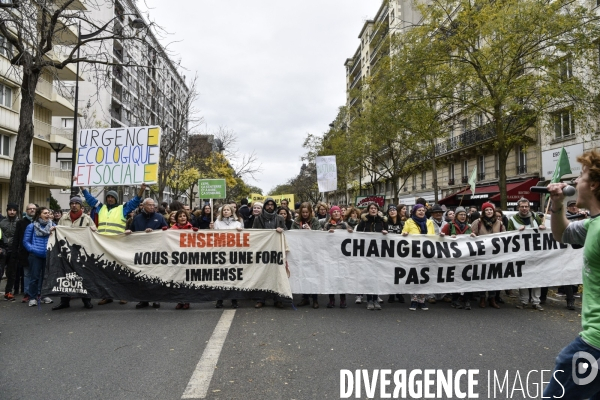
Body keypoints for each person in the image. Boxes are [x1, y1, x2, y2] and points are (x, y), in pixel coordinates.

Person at [543, 150, 600, 399]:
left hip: (595, 344)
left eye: (581, 176)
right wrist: (557, 204)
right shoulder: (592, 224)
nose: (575, 182)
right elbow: (562, 234)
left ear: (594, 185)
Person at [81, 183, 146, 305]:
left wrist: (141, 190)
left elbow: (135, 201)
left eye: (112, 197)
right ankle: (107, 295)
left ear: (116, 199)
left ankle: (123, 295)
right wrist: (82, 188)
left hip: (117, 244)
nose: (110, 199)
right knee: (105, 272)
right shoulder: (101, 207)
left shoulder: (123, 208)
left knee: (120, 271)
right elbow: (90, 199)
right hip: (103, 244)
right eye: (108, 197)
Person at [51, 197, 96, 310]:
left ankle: (86, 300)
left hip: (81, 252)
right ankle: (64, 301)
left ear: (81, 206)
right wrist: (53, 230)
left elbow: (94, 233)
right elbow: (59, 232)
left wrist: (94, 229)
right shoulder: (63, 218)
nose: (74, 205)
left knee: (83, 276)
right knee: (65, 276)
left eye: (77, 203)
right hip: (66, 252)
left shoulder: (87, 219)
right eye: (72, 203)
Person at [127, 198, 168, 309]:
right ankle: (143, 300)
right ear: (143, 206)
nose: (152, 207)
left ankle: (156, 299)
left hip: (155, 251)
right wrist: (129, 232)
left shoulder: (159, 217)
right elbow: (132, 230)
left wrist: (154, 232)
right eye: (149, 205)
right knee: (142, 276)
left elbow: (166, 231)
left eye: (153, 205)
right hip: (141, 251)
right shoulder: (137, 218)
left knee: (155, 275)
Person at [508, 198, 546, 311]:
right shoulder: (512, 220)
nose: (524, 208)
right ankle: (524, 301)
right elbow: (508, 235)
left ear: (529, 207)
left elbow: (543, 233)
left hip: (536, 253)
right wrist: (516, 231)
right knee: (523, 277)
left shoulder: (536, 218)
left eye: (526, 206)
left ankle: (536, 301)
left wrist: (543, 228)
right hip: (521, 254)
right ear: (518, 207)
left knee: (537, 277)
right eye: (522, 206)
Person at [470, 202, 505, 309]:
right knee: (482, 276)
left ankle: (492, 298)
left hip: (495, 255)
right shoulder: (478, 222)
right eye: (487, 210)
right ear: (483, 212)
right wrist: (472, 235)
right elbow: (471, 233)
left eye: (491, 210)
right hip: (481, 254)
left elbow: (505, 237)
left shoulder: (499, 223)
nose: (489, 212)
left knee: (493, 277)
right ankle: (482, 298)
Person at [252, 198, 286, 309]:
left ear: (274, 206)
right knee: (262, 274)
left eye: (272, 205)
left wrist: (281, 230)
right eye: (268, 205)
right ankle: (261, 299)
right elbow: (254, 233)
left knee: (277, 274)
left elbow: (286, 232)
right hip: (263, 251)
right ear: (265, 206)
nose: (270, 206)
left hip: (276, 251)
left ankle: (278, 299)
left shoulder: (280, 218)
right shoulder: (258, 219)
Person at [355, 202, 388, 311]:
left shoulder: (383, 221)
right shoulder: (364, 221)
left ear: (378, 210)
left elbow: (389, 234)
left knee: (377, 276)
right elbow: (358, 233)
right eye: (371, 208)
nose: (373, 210)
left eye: (375, 208)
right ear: (368, 210)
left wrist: (385, 232)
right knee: (369, 276)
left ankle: (375, 299)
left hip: (379, 253)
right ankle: (369, 299)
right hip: (367, 253)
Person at [440, 206, 474, 310]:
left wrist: (473, 236)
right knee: (455, 278)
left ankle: (466, 300)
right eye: (461, 214)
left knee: (467, 278)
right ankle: (455, 300)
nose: (463, 216)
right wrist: (444, 236)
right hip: (453, 258)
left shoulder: (469, 227)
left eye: (464, 214)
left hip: (466, 258)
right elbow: (441, 238)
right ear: (456, 216)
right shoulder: (449, 226)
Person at [402, 204, 434, 311]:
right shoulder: (409, 222)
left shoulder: (429, 222)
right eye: (419, 210)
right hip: (413, 253)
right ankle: (414, 300)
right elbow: (403, 233)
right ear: (414, 212)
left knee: (424, 277)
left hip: (426, 253)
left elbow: (433, 237)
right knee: (414, 277)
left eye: (423, 210)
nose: (421, 212)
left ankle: (422, 300)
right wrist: (404, 234)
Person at [211, 204, 243, 309]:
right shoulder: (217, 223)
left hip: (233, 253)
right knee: (221, 277)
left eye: (227, 210)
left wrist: (240, 231)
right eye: (224, 210)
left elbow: (242, 237)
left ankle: (234, 300)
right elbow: (213, 237)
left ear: (231, 211)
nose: (226, 211)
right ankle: (220, 300)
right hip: (221, 253)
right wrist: (211, 229)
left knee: (233, 277)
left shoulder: (238, 223)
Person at [22, 207, 55, 307]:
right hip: (35, 255)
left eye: (48, 213)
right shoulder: (31, 226)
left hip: (48, 255)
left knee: (46, 277)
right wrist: (33, 249)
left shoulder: (53, 226)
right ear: (39, 214)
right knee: (35, 277)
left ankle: (44, 295)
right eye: (45, 213)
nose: (48, 215)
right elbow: (25, 241)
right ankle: (33, 297)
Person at [291, 202, 322, 309]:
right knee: (303, 274)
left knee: (313, 275)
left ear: (310, 212)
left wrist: (310, 231)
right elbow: (292, 234)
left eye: (306, 212)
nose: (304, 214)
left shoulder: (315, 221)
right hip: (301, 252)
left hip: (313, 252)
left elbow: (320, 234)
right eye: (303, 212)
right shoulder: (296, 222)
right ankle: (305, 298)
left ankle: (315, 299)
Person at [323, 205, 352, 309]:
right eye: (334, 212)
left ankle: (343, 299)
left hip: (342, 256)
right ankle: (331, 299)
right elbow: (321, 238)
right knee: (331, 277)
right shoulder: (327, 225)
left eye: (337, 212)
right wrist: (326, 233)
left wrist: (350, 232)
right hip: (330, 255)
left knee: (341, 277)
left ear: (340, 213)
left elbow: (351, 236)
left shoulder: (344, 224)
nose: (336, 213)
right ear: (331, 214)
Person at [170, 209, 196, 310]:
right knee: (178, 279)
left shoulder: (191, 228)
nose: (182, 218)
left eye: (184, 216)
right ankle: (180, 300)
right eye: (180, 216)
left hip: (188, 257)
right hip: (176, 257)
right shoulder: (172, 229)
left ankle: (187, 300)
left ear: (187, 217)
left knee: (187, 279)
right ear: (177, 218)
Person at [10, 203, 36, 302]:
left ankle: (38, 293)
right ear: (26, 210)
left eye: (34, 208)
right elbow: (16, 238)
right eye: (30, 209)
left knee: (37, 274)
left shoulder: (40, 221)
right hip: (24, 252)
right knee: (27, 274)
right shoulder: (21, 223)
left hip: (38, 251)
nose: (32, 210)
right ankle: (27, 293)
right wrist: (14, 251)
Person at [385, 204, 406, 304]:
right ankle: (391, 294)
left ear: (397, 212)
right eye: (390, 210)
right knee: (390, 273)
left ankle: (399, 293)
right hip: (388, 252)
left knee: (399, 273)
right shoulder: (385, 223)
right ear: (388, 212)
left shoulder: (402, 224)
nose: (392, 211)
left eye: (394, 210)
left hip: (400, 252)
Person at [1, 203, 19, 301]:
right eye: (10, 210)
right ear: (7, 211)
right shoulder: (2, 222)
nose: (12, 212)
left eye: (14, 210)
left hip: (13, 250)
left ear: (16, 211)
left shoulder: (19, 223)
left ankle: (8, 292)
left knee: (11, 273)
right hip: (3, 249)